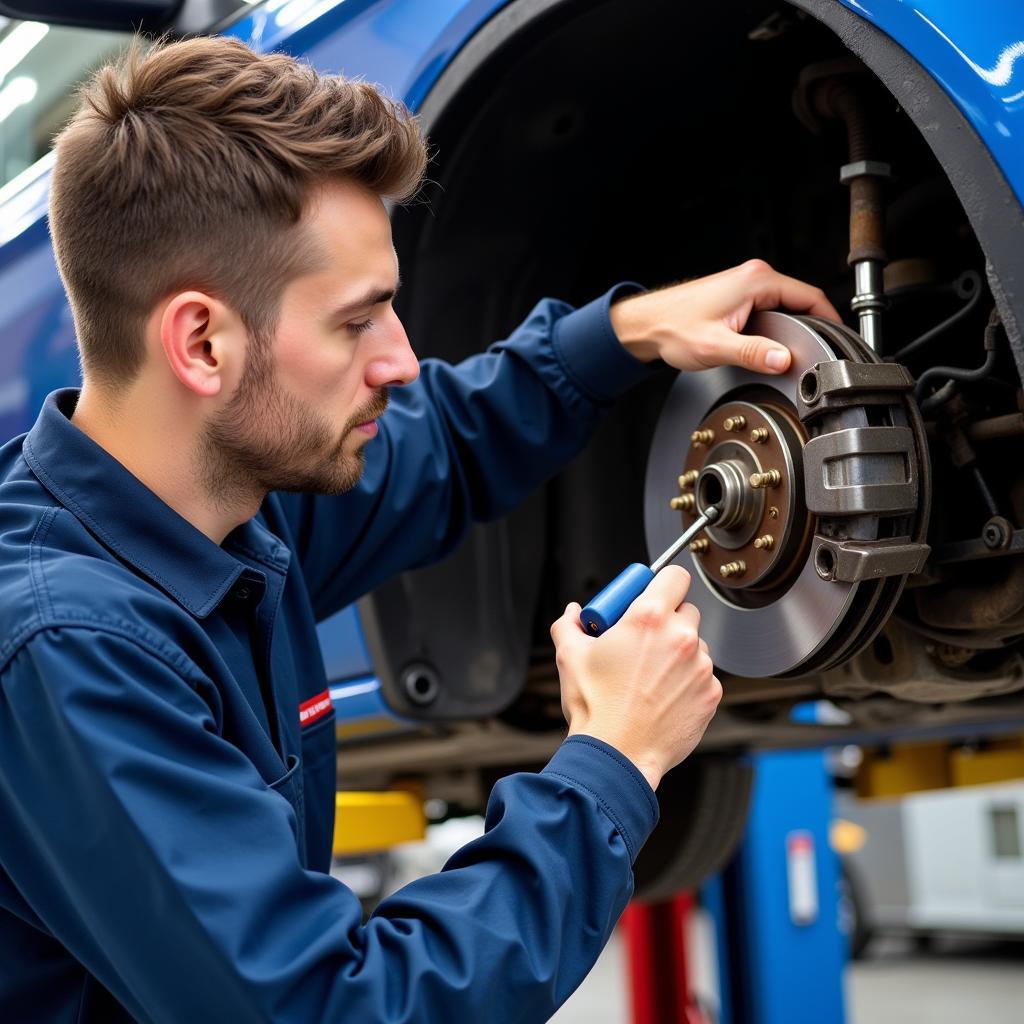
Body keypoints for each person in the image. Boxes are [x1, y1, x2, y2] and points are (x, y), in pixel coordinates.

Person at [0, 35, 838, 1023]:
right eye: (357, 322)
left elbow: (439, 445)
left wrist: (622, 334)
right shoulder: (70, 647)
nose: (400, 359)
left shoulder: (213, 512)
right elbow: (334, 1010)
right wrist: (611, 759)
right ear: (201, 341)